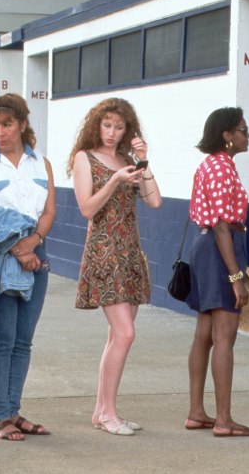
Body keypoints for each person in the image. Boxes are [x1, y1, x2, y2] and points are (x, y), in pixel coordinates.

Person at [69, 98, 161, 436]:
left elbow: (154, 200)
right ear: (97, 125)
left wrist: (144, 161)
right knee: (125, 334)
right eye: (107, 125)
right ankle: (108, 413)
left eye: (119, 127)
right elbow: (87, 208)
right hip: (104, 251)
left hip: (130, 252)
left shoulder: (128, 159)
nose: (112, 132)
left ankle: (102, 410)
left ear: (128, 130)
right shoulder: (85, 158)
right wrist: (115, 180)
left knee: (116, 336)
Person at [0, 93, 56, 441]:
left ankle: (14, 410)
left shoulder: (41, 164)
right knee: (1, 339)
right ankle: (1, 416)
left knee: (23, 340)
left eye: (6, 125)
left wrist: (33, 243)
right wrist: (19, 249)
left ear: (21, 123)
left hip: (36, 253)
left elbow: (49, 212)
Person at [184, 107, 249, 438]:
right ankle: (224, 420)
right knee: (224, 336)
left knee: (205, 332)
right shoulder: (220, 169)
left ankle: (197, 412)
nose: (247, 135)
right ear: (227, 135)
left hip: (209, 249)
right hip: (220, 250)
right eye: (243, 130)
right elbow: (223, 227)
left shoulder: (215, 166)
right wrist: (235, 277)